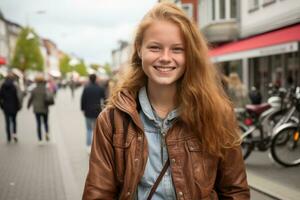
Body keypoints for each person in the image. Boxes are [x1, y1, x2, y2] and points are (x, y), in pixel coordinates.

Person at [83, 2, 249, 200]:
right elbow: (98, 193)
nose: (165, 58)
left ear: (190, 55)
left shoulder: (217, 114)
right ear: (138, 49)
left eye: (177, 49)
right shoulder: (112, 121)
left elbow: (234, 191)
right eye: (155, 47)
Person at [81, 74, 106, 153]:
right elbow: (105, 98)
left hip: (88, 112)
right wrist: (103, 108)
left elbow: (83, 99)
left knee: (88, 129)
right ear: (96, 79)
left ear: (89, 79)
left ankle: (88, 147)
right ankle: (96, 147)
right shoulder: (100, 88)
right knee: (96, 130)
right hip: (97, 112)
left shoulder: (86, 88)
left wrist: (83, 109)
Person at [27, 74, 52, 143]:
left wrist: (28, 106)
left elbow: (30, 99)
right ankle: (47, 132)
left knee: (38, 124)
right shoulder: (45, 89)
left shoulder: (34, 89)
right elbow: (50, 97)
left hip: (37, 109)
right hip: (45, 108)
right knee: (46, 122)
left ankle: (40, 139)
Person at [0, 73, 21, 143]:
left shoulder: (2, 85)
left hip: (6, 106)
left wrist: (2, 106)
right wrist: (19, 105)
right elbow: (18, 96)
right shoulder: (15, 85)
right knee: (14, 121)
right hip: (14, 106)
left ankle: (8, 136)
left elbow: (1, 97)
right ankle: (14, 134)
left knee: (7, 122)